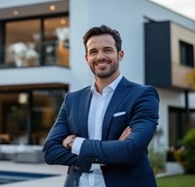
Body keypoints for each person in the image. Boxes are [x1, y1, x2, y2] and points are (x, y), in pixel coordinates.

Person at [43, 25, 159, 187]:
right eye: (93, 52)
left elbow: (131, 150)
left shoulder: (142, 95)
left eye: (107, 50)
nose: (100, 56)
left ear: (120, 55)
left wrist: (73, 144)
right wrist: (98, 161)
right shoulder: (72, 100)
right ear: (86, 58)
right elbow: (50, 152)